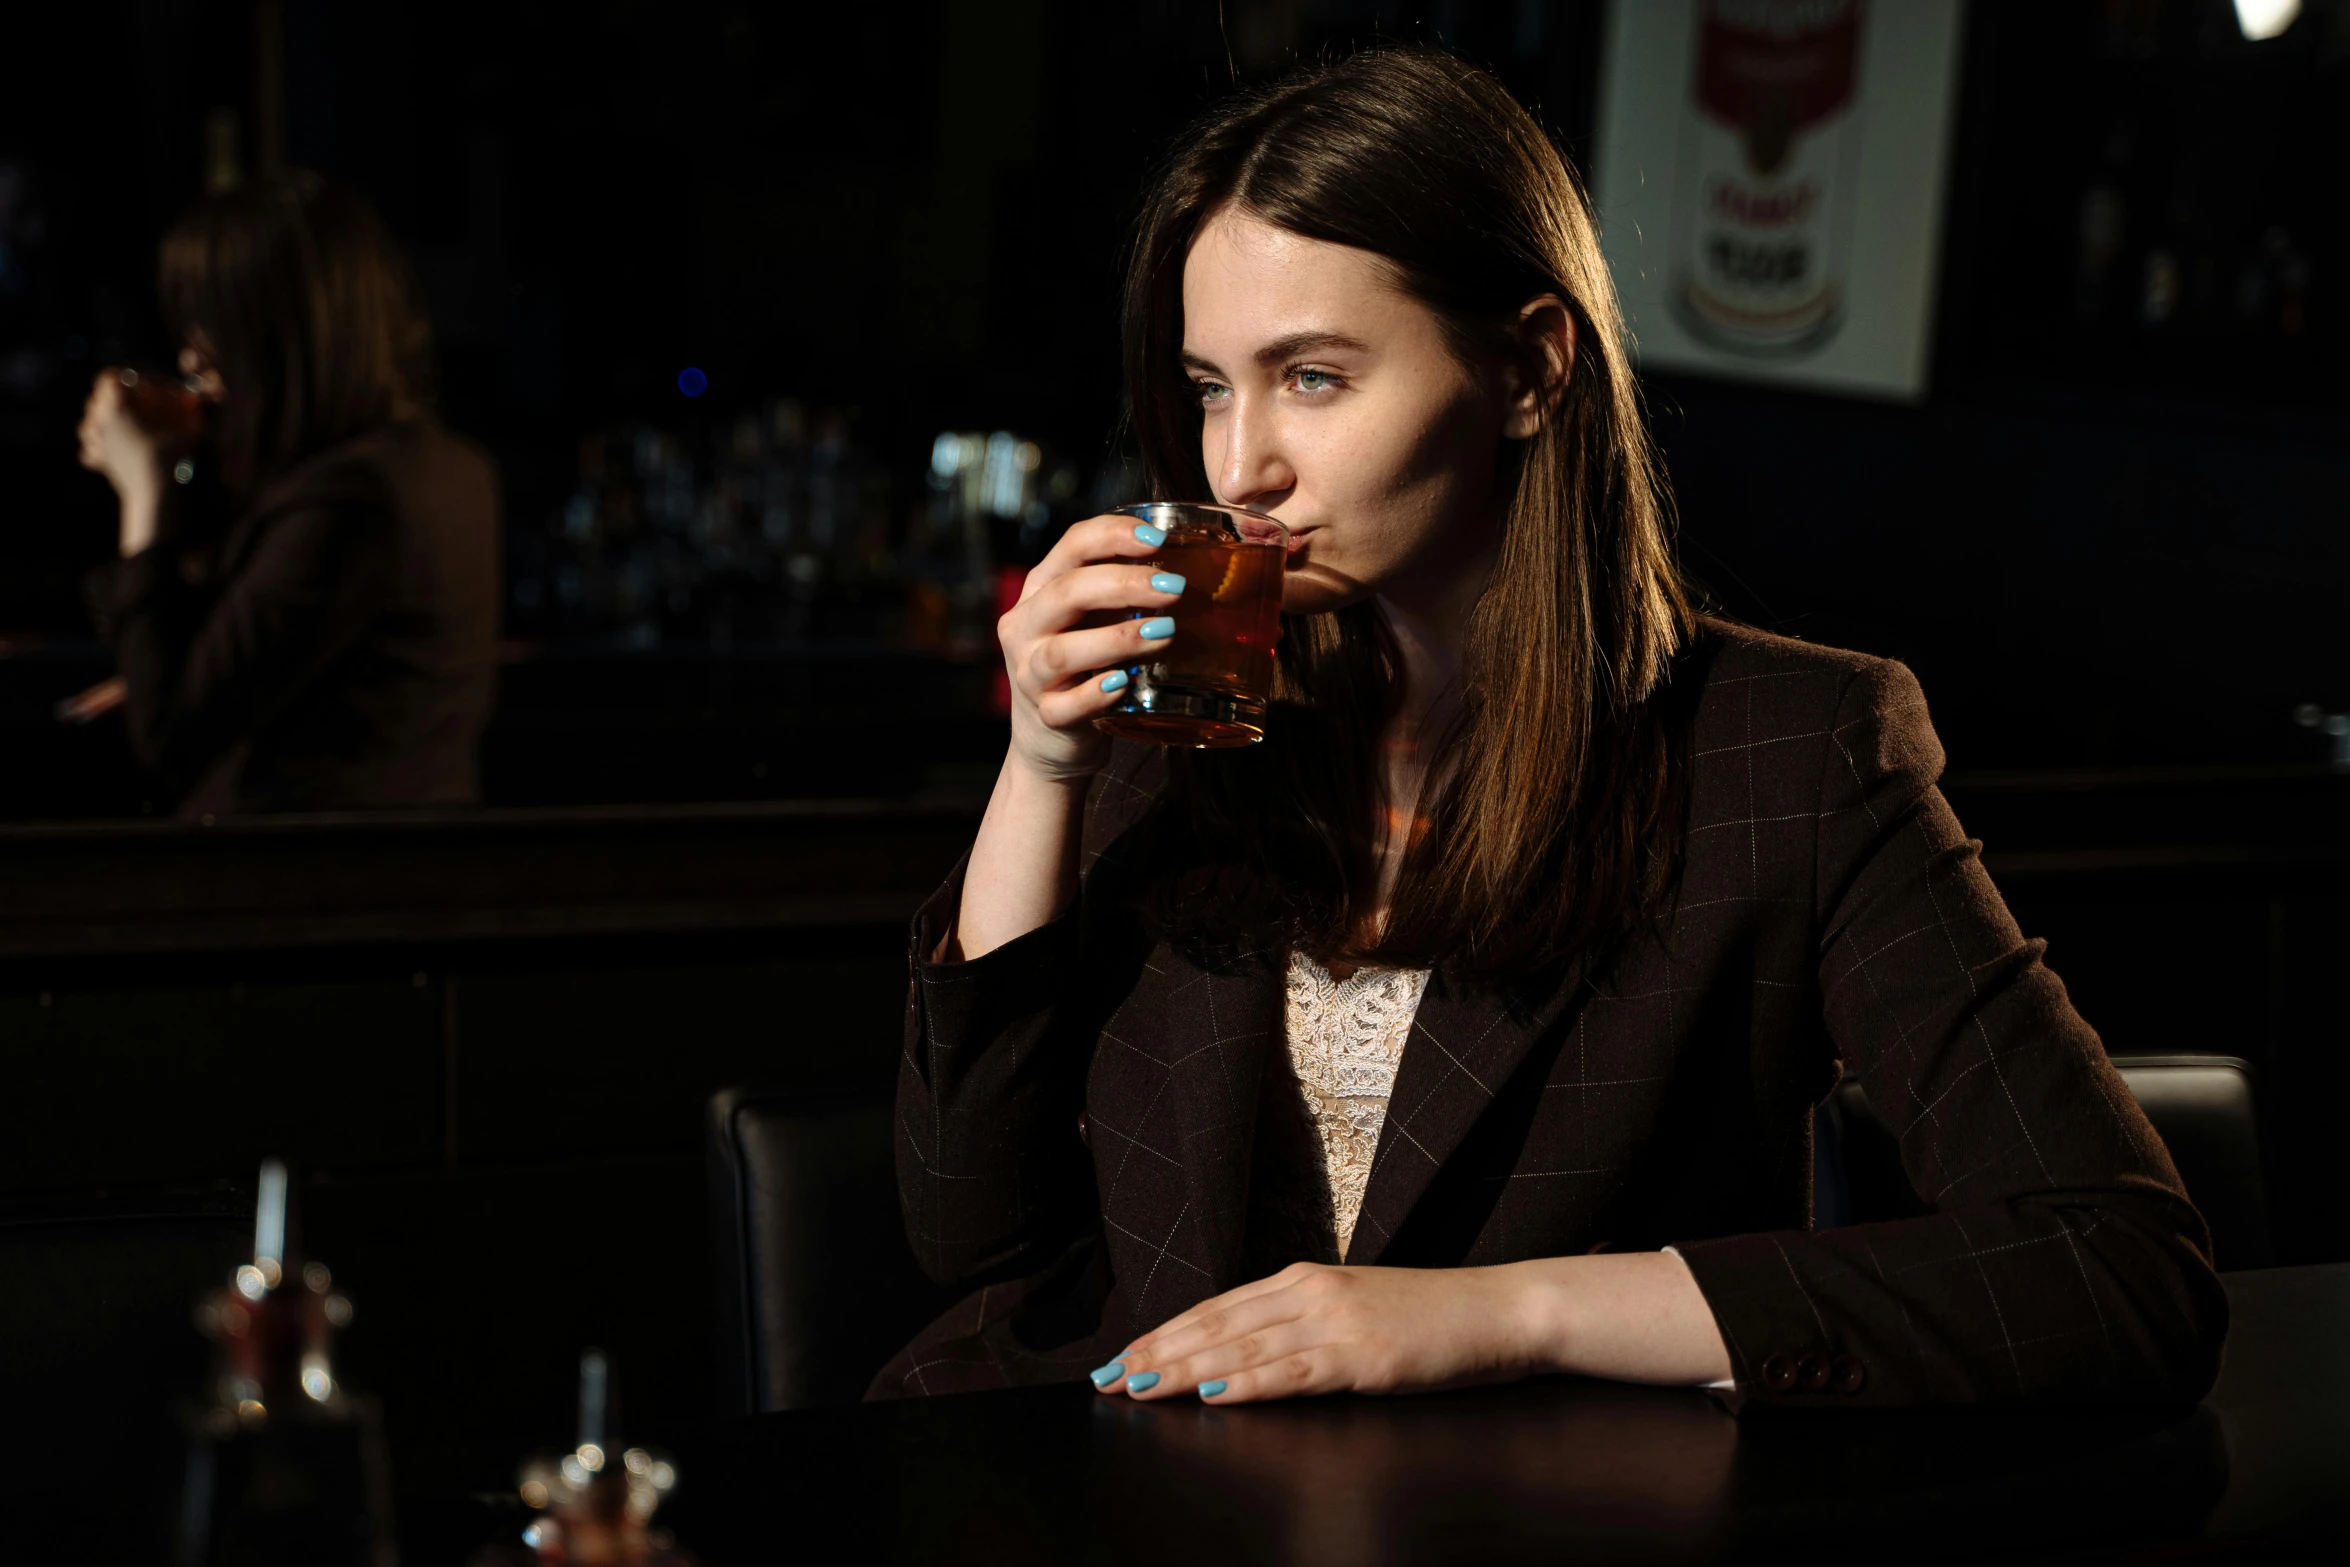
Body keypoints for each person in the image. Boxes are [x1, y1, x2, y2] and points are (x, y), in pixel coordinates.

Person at [878, 49, 2225, 1410]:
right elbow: (968, 1232)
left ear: (1527, 367)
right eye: (1213, 385)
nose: (1239, 466)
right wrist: (1043, 765)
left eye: (1315, 378)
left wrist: (1501, 1313)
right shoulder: (1190, 718)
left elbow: (2115, 1262)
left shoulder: (1787, 749)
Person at [74, 171, 499, 815]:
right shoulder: (438, 466)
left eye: (211, 322)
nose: (191, 358)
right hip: (389, 877)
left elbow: (170, 738)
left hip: (301, 891)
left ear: (275, 331)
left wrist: (144, 491)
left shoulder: (351, 503)